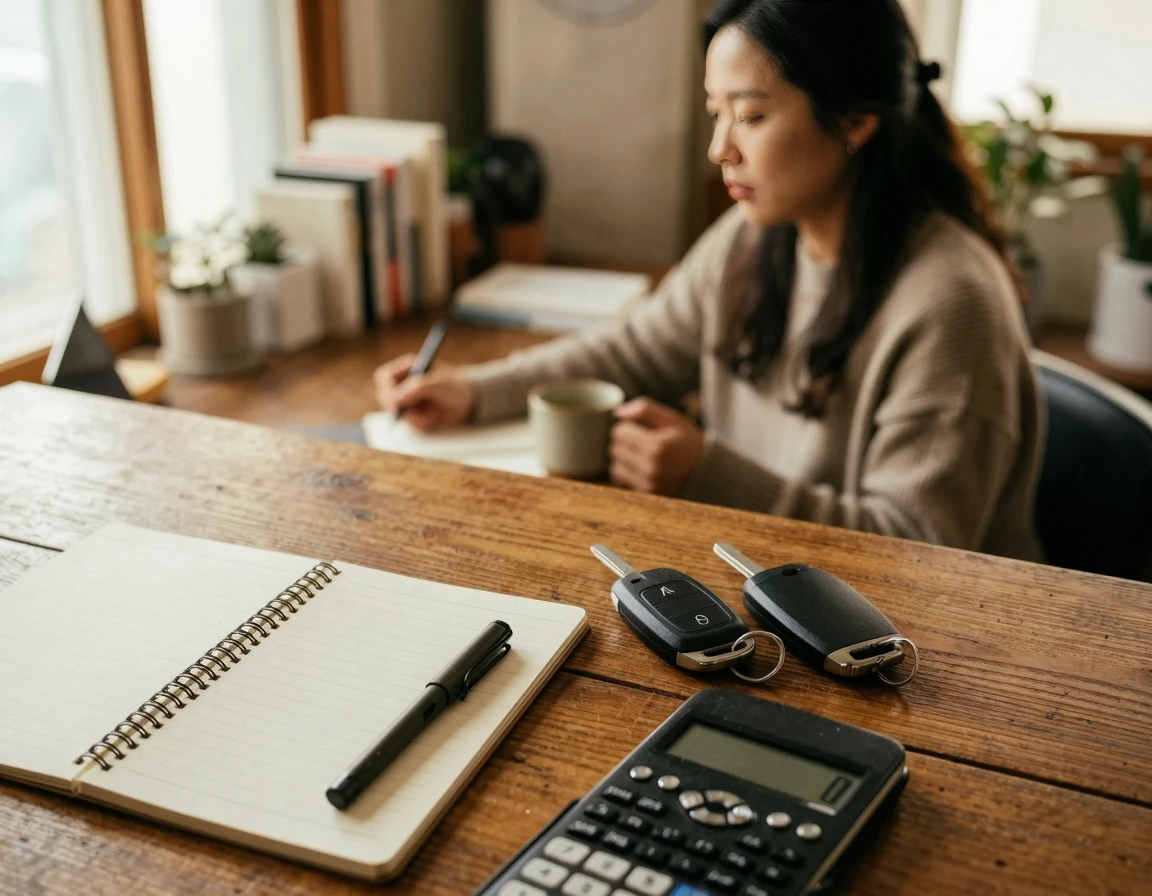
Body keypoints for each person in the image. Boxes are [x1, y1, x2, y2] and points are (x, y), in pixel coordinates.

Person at [374, 0, 1043, 561]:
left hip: (918, 651)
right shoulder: (756, 236)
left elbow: (919, 548)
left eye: (750, 116)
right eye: (715, 112)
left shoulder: (953, 304)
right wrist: (471, 390)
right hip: (752, 586)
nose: (719, 148)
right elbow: (630, 353)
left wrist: (706, 474)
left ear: (855, 120)